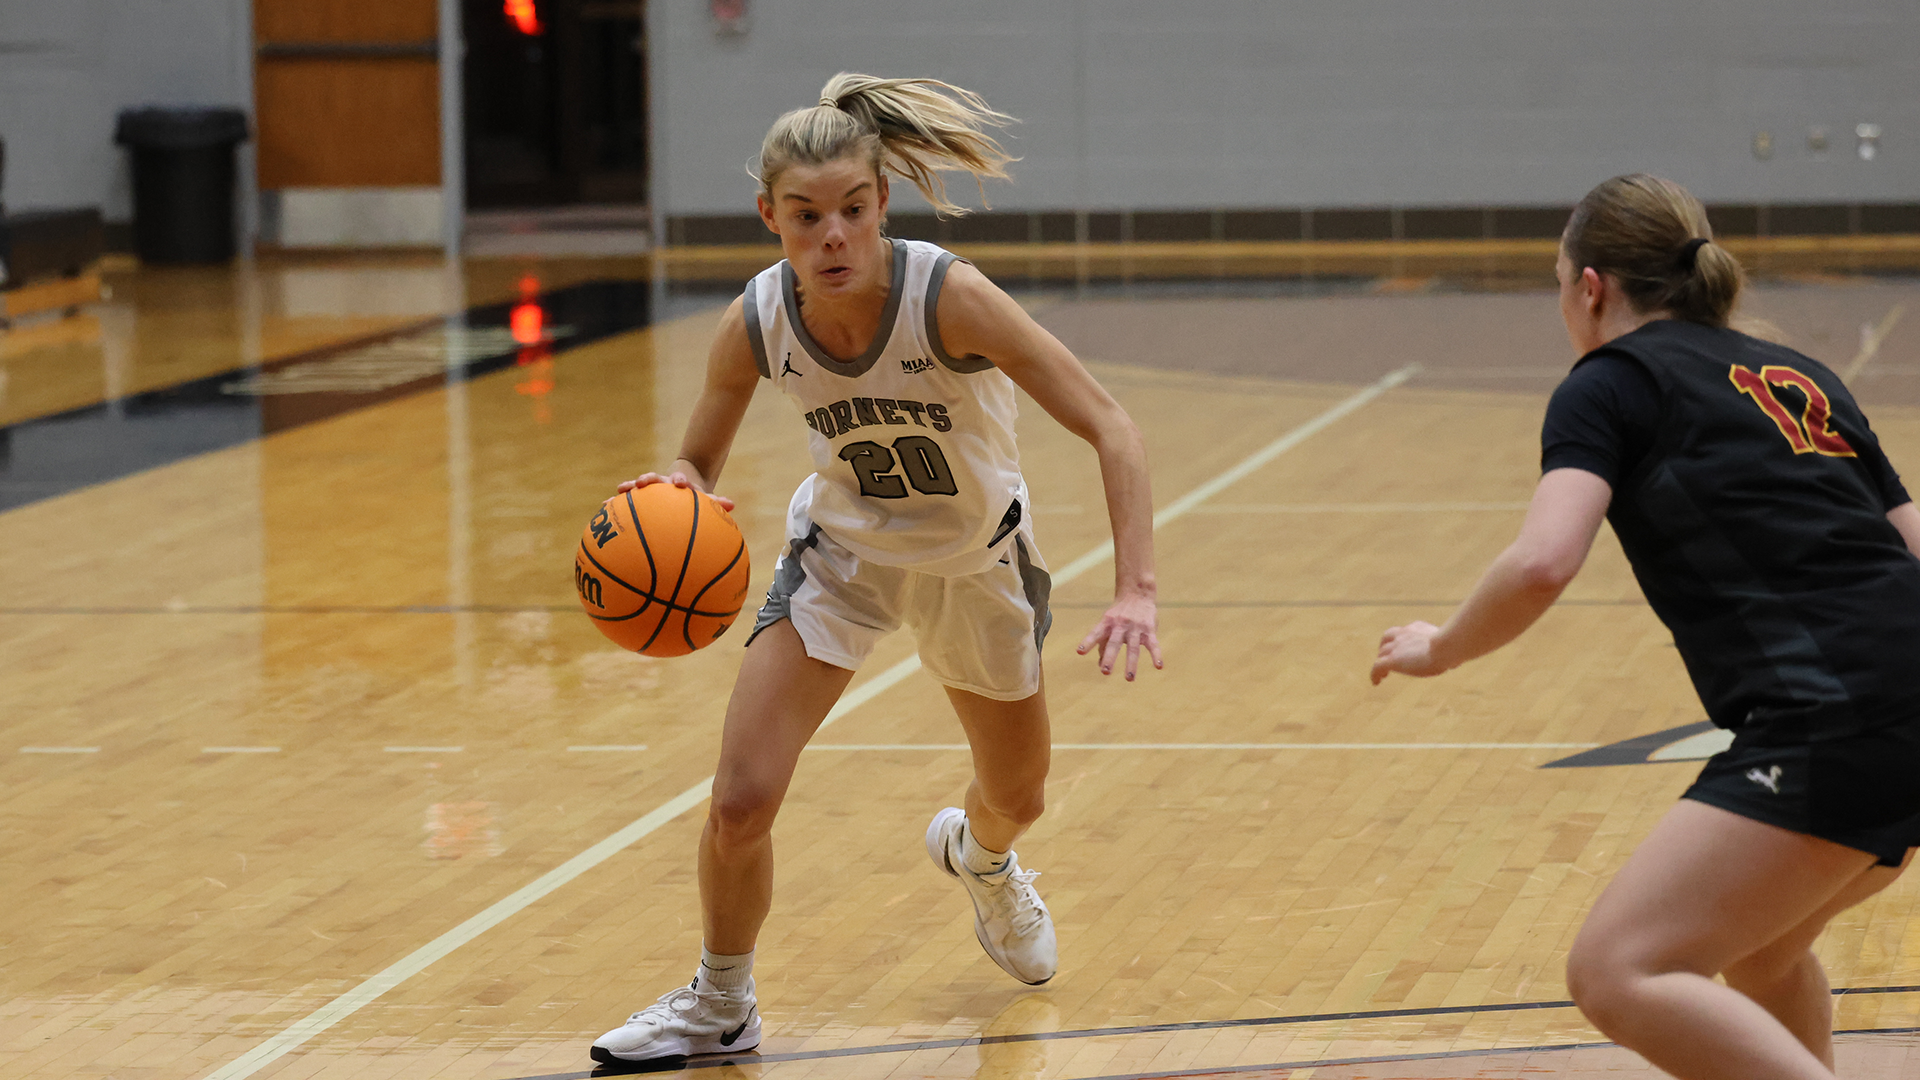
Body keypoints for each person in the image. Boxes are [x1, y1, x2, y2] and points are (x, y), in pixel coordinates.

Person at [590, 73, 1162, 1065]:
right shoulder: (760, 320)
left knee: (1017, 798)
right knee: (738, 803)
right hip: (840, 562)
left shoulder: (952, 299)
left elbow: (1111, 423)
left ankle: (982, 859)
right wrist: (678, 493)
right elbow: (696, 457)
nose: (834, 238)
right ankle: (721, 1002)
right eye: (808, 218)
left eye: (853, 212)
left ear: (881, 205)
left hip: (976, 569)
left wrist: (1137, 588)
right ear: (770, 216)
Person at [1370, 173, 1920, 1080]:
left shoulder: (1610, 384)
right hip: (1899, 697)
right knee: (1764, 951)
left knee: (1618, 970)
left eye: (1558, 283)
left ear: (1592, 288)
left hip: (1837, 713)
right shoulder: (1797, 375)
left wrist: (1442, 646)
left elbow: (1545, 559)